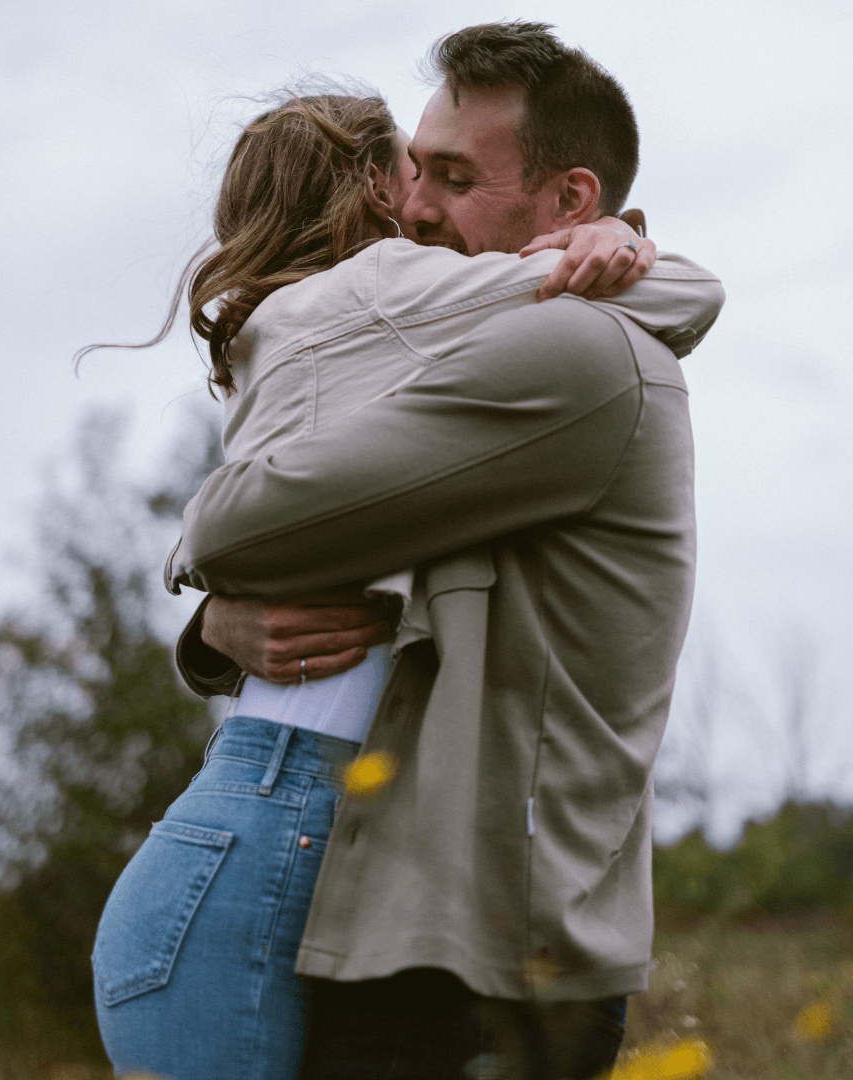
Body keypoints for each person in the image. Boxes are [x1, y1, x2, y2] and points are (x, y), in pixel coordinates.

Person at [91, 25, 724, 1080]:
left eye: (455, 178)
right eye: (412, 173)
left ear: (572, 203)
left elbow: (253, 515)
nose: (415, 210)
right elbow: (344, 536)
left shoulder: (577, 350)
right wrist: (216, 628)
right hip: (405, 923)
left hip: (477, 949)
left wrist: (204, 555)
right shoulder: (446, 364)